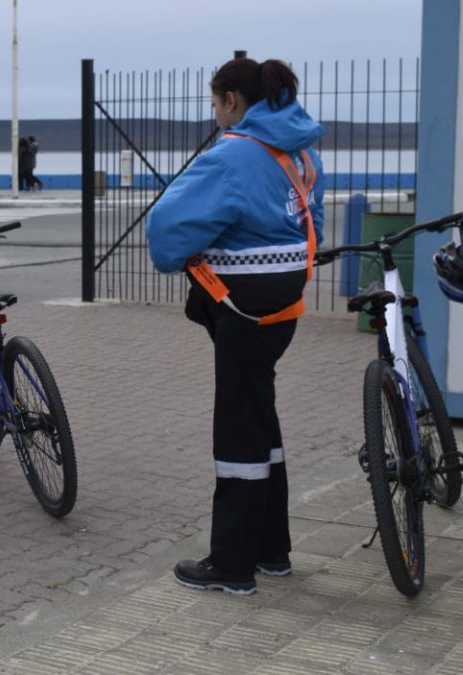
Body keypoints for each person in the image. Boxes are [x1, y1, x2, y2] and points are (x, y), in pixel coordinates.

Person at [145, 57, 325, 594]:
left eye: (215, 103)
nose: (216, 114)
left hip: (241, 308)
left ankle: (232, 566)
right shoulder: (299, 150)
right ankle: (272, 549)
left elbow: (166, 229)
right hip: (284, 306)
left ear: (230, 101)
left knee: (239, 429)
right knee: (260, 420)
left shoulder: (232, 155)